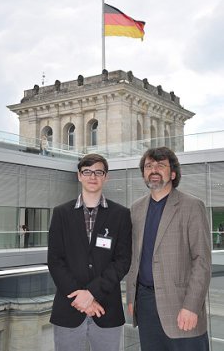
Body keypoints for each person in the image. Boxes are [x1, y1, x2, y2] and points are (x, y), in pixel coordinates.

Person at [126, 147, 211, 351]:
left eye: (160, 165)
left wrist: (191, 306)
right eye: (148, 166)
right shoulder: (135, 209)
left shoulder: (192, 206)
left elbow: (202, 261)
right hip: (145, 303)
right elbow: (133, 258)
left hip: (181, 304)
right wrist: (131, 297)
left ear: (172, 173)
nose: (153, 170)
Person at [48, 153, 132, 351]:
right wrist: (81, 298)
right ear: (79, 175)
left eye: (98, 172)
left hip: (106, 309)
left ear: (106, 177)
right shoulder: (61, 213)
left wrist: (92, 293)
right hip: (69, 308)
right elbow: (55, 260)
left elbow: (123, 261)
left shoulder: (121, 214)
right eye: (87, 171)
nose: (92, 176)